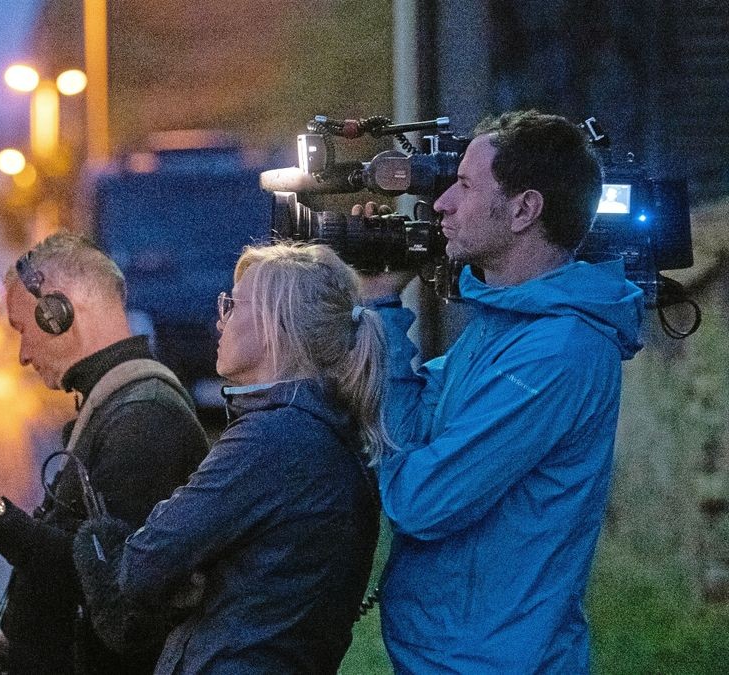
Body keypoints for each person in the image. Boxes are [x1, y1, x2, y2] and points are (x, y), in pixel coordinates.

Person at [360, 110, 645, 672]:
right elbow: (414, 425)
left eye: (464, 186)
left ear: (523, 210)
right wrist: (380, 306)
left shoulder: (557, 352)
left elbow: (422, 501)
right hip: (451, 656)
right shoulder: (505, 323)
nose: (440, 204)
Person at [0, 233, 209, 674]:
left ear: (58, 314)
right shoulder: (113, 404)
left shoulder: (144, 418)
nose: (22, 355)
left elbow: (108, 588)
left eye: (23, 330)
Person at [114, 242, 384, 673]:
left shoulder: (271, 439)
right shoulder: (319, 427)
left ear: (276, 327)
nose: (219, 321)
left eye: (233, 306)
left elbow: (144, 562)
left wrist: (195, 575)